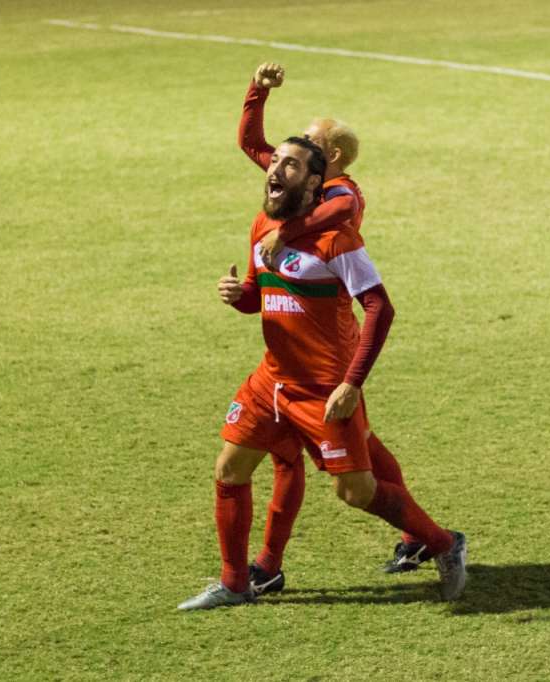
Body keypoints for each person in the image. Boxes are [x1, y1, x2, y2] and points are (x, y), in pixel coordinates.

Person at [178, 137, 466, 611]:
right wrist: (237, 296)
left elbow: (379, 308)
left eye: (290, 165)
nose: (275, 170)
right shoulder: (263, 225)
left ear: (314, 182)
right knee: (229, 469)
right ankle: (235, 583)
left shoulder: (338, 240)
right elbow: (258, 296)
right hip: (271, 381)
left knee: (356, 492)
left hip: (324, 389)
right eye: (275, 162)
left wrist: (351, 384)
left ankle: (442, 542)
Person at [237, 62, 437, 591]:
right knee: (357, 444)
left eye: (312, 140)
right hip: (294, 330)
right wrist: (256, 92)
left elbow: (342, 211)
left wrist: (290, 231)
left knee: (350, 473)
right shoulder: (298, 179)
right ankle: (265, 567)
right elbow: (253, 145)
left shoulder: (343, 192)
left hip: (329, 335)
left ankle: (430, 536)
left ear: (334, 159)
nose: (299, 144)